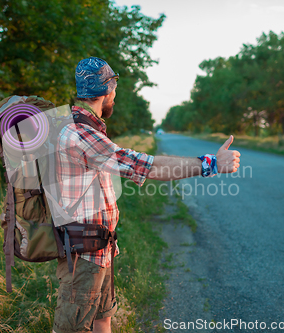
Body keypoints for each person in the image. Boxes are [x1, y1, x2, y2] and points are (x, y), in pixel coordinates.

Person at [53, 57, 240, 333]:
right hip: (83, 255)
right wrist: (209, 164)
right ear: (106, 90)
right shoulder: (80, 134)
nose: (115, 95)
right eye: (114, 87)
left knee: (103, 319)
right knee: (69, 330)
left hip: (100, 249)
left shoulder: (85, 127)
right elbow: (145, 166)